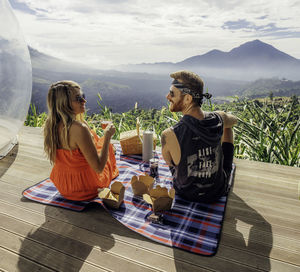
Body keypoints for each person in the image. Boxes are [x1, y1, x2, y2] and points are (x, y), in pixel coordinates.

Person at [161, 70, 237, 203]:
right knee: (228, 127)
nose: (167, 96)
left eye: (172, 93)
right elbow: (234, 120)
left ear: (188, 99)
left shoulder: (169, 134)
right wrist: (222, 120)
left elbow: (171, 164)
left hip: (186, 194)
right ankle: (227, 168)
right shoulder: (219, 118)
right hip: (218, 191)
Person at [43, 80, 119, 201]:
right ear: (64, 103)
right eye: (78, 98)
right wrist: (108, 137)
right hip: (86, 187)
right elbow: (99, 168)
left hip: (63, 185)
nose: (84, 101)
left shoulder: (50, 124)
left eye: (83, 96)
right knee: (106, 145)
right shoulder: (79, 129)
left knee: (99, 142)